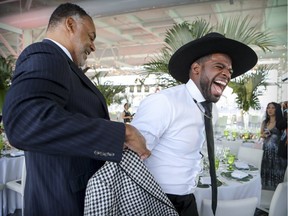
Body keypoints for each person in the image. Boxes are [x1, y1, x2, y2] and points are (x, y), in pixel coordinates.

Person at [2, 3, 150, 216]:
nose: (93, 46)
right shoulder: (46, 55)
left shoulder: (62, 65)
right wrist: (121, 134)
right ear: (70, 24)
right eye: (91, 36)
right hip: (61, 202)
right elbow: (24, 122)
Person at [131, 32, 258, 215]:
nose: (227, 74)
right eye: (219, 66)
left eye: (229, 71)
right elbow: (132, 157)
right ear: (196, 69)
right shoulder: (164, 101)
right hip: (155, 200)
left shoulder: (208, 108)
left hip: (187, 198)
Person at [260, 102, 287, 190]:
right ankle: (266, 192)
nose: (270, 110)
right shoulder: (265, 122)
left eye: (273, 108)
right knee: (266, 171)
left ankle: (278, 194)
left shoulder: (281, 122)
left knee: (277, 174)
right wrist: (263, 135)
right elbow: (261, 135)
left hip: (278, 154)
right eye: (268, 108)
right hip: (266, 153)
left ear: (277, 109)